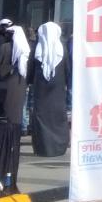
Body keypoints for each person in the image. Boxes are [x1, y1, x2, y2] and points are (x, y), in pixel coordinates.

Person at [29, 22, 69, 156]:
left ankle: (43, 147)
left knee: (42, 116)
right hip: (58, 88)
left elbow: (30, 70)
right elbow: (68, 69)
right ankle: (59, 146)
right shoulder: (62, 48)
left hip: (41, 87)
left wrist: (30, 82)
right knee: (57, 116)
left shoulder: (37, 48)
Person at [0, 25, 30, 129]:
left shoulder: (4, 47)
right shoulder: (25, 49)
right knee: (20, 108)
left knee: (9, 107)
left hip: (8, 82)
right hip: (22, 82)